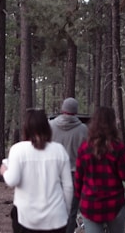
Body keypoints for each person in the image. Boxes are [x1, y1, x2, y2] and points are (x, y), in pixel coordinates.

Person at [0, 108, 73, 233]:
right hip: (56, 217)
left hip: (26, 218)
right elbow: (68, 186)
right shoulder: (59, 150)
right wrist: (65, 210)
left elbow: (12, 180)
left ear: (26, 127)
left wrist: (4, 171)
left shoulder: (18, 150)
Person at [74, 106, 125, 233]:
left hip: (90, 205)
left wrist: (79, 200)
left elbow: (78, 180)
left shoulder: (84, 148)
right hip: (114, 204)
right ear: (112, 124)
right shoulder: (117, 147)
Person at [49, 98, 88, 233]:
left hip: (54, 173)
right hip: (74, 175)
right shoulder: (83, 130)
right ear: (76, 111)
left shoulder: (50, 126)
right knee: (71, 211)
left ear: (62, 109)